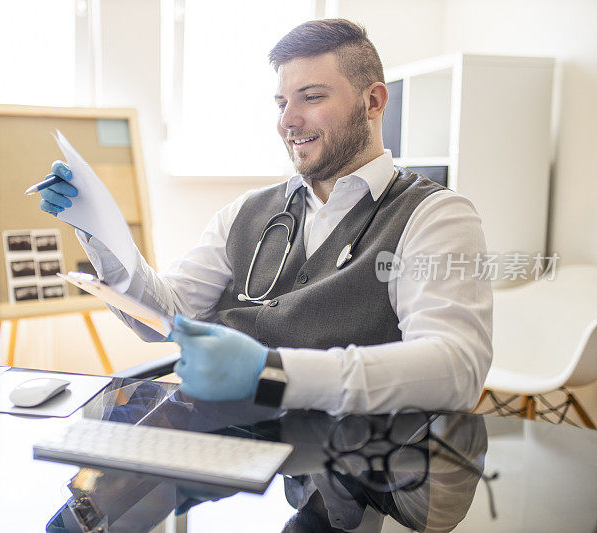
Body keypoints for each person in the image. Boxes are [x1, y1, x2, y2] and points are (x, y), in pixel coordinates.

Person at [39, 19, 492, 414]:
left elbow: (456, 368)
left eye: (311, 97)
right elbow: (163, 318)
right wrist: (99, 230)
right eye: (281, 103)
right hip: (226, 444)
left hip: (350, 470)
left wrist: (272, 373)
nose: (288, 121)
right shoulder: (246, 212)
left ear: (373, 102)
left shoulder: (436, 217)